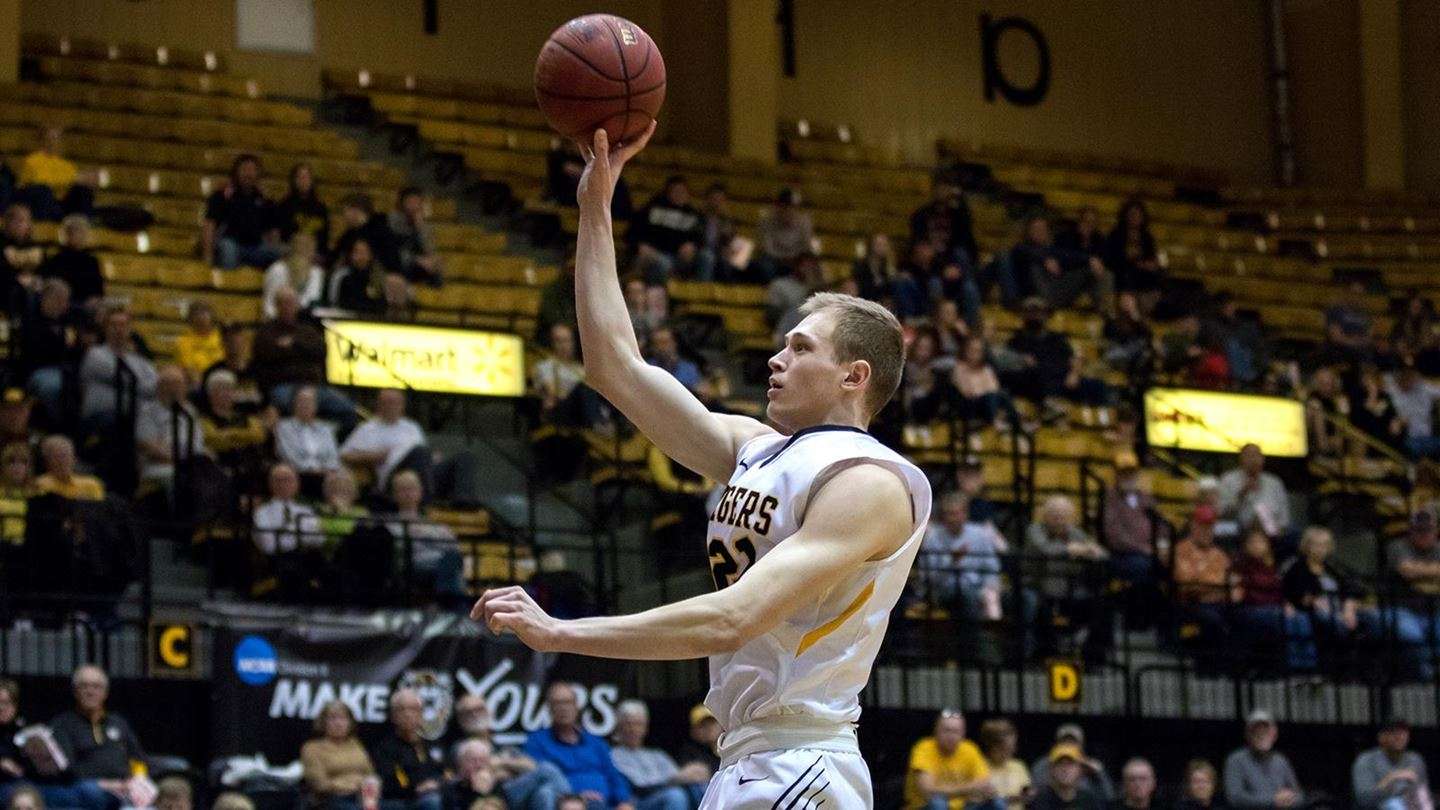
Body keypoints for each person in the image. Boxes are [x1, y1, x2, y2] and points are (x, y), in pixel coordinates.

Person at [475, 125, 931, 810]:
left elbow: (732, 619)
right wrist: (595, 210)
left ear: (854, 375)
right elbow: (615, 367)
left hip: (800, 759)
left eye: (801, 348)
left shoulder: (869, 483)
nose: (776, 358)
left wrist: (561, 633)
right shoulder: (756, 449)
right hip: (747, 758)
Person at [40, 665, 149, 810]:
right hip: (85, 789)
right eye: (84, 686)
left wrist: (138, 781)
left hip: (124, 789)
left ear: (105, 693)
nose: (90, 691)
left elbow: (138, 758)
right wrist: (106, 784)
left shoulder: (118, 722)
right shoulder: (62, 724)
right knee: (90, 792)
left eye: (96, 687)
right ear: (75, 691)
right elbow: (67, 769)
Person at [445, 694, 569, 810]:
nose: (475, 714)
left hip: (516, 794)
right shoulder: (460, 748)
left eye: (479, 709)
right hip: (494, 796)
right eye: (468, 712)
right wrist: (507, 769)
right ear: (460, 719)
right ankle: (573, 802)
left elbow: (530, 766)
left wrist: (501, 763)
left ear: (488, 712)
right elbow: (475, 773)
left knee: (544, 792)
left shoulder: (502, 747)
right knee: (547, 769)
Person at [524, 683, 633, 810]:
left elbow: (613, 775)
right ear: (549, 709)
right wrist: (575, 796)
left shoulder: (596, 743)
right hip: (568, 803)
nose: (563, 708)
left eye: (568, 703)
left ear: (576, 707)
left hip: (607, 803)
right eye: (557, 703)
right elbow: (542, 778)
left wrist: (623, 801)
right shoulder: (538, 742)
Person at [1233, 529, 1315, 671]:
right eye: (1253, 542)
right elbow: (1238, 596)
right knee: (1284, 618)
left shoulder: (1271, 568)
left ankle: (1309, 664)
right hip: (1253, 608)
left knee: (1301, 617)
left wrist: (1287, 604)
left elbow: (1280, 591)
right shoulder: (1240, 566)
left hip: (1276, 607)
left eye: (1261, 542)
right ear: (1246, 546)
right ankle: (1294, 665)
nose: (1257, 546)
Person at [917, 492, 1008, 620]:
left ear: (965, 513)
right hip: (945, 591)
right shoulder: (933, 538)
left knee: (1025, 598)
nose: (952, 518)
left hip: (980, 587)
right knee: (968, 597)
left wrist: (990, 587)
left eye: (956, 513)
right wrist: (951, 560)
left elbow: (992, 567)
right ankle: (976, 634)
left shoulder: (980, 534)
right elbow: (927, 577)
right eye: (949, 514)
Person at [609, 700, 705, 810]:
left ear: (646, 728)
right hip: (638, 803)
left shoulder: (657, 755)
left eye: (638, 724)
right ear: (619, 727)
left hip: (667, 797)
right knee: (675, 796)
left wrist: (694, 775)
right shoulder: (614, 755)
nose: (633, 729)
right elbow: (642, 787)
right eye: (629, 724)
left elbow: (678, 777)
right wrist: (679, 777)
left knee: (698, 787)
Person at [384, 471, 464, 601]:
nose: (408, 493)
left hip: (440, 564)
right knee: (452, 572)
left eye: (412, 488)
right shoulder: (389, 523)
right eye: (403, 489)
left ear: (420, 492)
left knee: (451, 561)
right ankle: (450, 604)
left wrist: (426, 535)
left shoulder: (435, 525)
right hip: (411, 566)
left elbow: (454, 547)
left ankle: (445, 601)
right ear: (394, 495)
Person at [18, 279, 86, 425]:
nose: (64, 305)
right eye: (60, 300)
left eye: (66, 300)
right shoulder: (31, 320)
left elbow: (76, 349)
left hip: (67, 369)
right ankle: (57, 425)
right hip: (40, 369)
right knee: (54, 387)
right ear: (46, 299)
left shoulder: (68, 321)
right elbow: (36, 351)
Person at [79, 306, 158, 431]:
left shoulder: (140, 360)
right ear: (105, 328)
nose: (118, 329)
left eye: (123, 325)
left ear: (129, 329)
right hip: (103, 415)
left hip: (137, 414)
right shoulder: (95, 354)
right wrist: (147, 387)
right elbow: (128, 380)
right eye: (113, 325)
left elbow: (156, 386)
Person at [1383, 509, 1440, 680]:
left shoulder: (1438, 548)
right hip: (1402, 609)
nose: (1424, 535)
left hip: (1435, 609)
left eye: (1428, 530)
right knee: (1411, 634)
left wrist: (1419, 570)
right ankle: (1425, 676)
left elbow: (1412, 570)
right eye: (1419, 530)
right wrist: (1433, 571)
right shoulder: (1397, 546)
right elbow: (1406, 571)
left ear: (1436, 531)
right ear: (1411, 531)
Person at [902, 710, 998, 810]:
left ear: (963, 733)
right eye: (946, 730)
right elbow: (927, 790)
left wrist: (946, 790)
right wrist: (968, 789)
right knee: (937, 803)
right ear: (936, 731)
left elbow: (983, 783)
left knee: (996, 801)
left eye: (956, 731)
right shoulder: (924, 748)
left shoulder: (970, 748)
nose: (951, 736)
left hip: (963, 806)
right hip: (924, 806)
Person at [135, 365, 207, 492]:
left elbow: (198, 444)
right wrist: (185, 460)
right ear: (159, 387)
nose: (174, 389)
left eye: (178, 384)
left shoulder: (190, 411)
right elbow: (149, 447)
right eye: (168, 384)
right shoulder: (147, 412)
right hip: (159, 469)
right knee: (183, 480)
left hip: (190, 465)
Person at [203, 154, 281, 270]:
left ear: (258, 174)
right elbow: (210, 225)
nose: (248, 174)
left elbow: (273, 230)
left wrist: (273, 246)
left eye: (252, 170)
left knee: (281, 254)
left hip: (256, 247)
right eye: (244, 169)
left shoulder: (265, 200)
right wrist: (207, 255)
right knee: (228, 250)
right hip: (229, 243)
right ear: (236, 172)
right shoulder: (222, 196)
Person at [371, 690, 444, 810]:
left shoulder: (432, 744)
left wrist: (437, 783)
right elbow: (393, 780)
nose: (408, 714)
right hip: (405, 800)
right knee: (433, 802)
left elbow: (445, 772)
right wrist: (417, 787)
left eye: (413, 709)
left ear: (421, 714)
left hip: (435, 792)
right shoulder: (386, 748)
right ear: (393, 716)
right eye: (401, 709)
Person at [300, 700, 375, 810]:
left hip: (363, 798)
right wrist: (353, 784)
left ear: (350, 723)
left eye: (343, 718)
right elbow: (320, 784)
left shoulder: (356, 745)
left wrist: (360, 785)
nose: (338, 723)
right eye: (333, 718)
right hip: (330, 800)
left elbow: (370, 775)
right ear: (323, 722)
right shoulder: (312, 748)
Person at [629, 176, 706, 283]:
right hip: (655, 256)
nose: (679, 195)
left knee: (706, 257)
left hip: (680, 259)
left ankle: (701, 289)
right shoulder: (652, 209)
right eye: (676, 191)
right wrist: (640, 245)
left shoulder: (693, 214)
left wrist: (693, 245)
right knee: (664, 263)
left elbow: (701, 238)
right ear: (668, 193)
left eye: (682, 192)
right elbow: (632, 233)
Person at [1222, 711, 1302, 810]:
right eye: (1256, 731)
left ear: (1274, 735)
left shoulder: (1281, 760)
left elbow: (1299, 795)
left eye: (1266, 731)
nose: (1261, 734)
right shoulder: (1236, 760)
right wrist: (1273, 800)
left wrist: (1290, 799)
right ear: (1247, 735)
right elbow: (1235, 798)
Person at [14, 127, 94, 222]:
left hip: (60, 203)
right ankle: (43, 225)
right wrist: (71, 179)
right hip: (38, 202)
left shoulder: (67, 165)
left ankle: (83, 224)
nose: (53, 142)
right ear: (42, 141)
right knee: (43, 191)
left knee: (83, 190)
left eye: (57, 139)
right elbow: (40, 181)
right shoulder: (31, 161)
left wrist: (87, 179)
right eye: (50, 139)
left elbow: (75, 181)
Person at [274, 386, 341, 495]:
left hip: (325, 475)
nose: (305, 405)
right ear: (294, 404)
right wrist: (312, 470)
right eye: (301, 401)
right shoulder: (284, 427)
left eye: (309, 401)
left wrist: (327, 470)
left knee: (342, 477)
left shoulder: (325, 429)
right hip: (298, 474)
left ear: (316, 406)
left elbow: (333, 457)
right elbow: (288, 456)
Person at [1216, 444, 1291, 540]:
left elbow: (1284, 516)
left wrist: (1280, 528)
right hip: (1240, 528)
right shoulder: (1228, 480)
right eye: (1249, 456)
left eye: (1257, 455)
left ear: (1263, 459)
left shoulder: (1274, 482)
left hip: (1271, 529)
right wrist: (1241, 495)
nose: (1253, 459)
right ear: (1241, 459)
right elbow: (1222, 513)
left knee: (1293, 533)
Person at [1351, 716, 1428, 810]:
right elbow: (1363, 800)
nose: (1399, 736)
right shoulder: (1366, 760)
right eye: (1393, 732)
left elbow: (1422, 795)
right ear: (1381, 737)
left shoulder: (1415, 760)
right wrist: (1392, 778)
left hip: (1409, 806)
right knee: (1393, 804)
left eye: (1403, 732)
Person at [1028, 726, 1114, 804]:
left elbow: (1109, 797)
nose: (1068, 745)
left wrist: (1099, 773)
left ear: (1081, 745)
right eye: (1064, 741)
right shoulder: (1043, 764)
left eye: (1073, 742)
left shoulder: (1090, 766)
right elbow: (1034, 794)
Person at [252, 462, 321, 557]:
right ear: (270, 484)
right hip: (276, 562)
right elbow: (268, 546)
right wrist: (301, 537)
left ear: (297, 484)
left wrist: (286, 536)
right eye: (279, 480)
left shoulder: (307, 510)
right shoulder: (262, 512)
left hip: (304, 561)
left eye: (288, 479)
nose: (284, 484)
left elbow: (319, 539)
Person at [910, 178, 978, 267]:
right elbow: (917, 239)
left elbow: (965, 241)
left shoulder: (959, 215)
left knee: (960, 254)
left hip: (952, 255)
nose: (943, 192)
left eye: (946, 188)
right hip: (931, 255)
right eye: (940, 188)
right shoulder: (922, 214)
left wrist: (960, 204)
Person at [37, 215, 102, 308]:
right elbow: (47, 283)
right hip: (61, 304)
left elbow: (98, 290)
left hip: (86, 305)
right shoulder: (55, 259)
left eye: (79, 231)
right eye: (71, 231)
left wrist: (94, 299)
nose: (75, 234)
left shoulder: (92, 261)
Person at [1103, 200, 1161, 302]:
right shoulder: (1116, 234)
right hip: (1122, 274)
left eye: (1138, 215)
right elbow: (1111, 259)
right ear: (1125, 216)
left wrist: (1150, 264)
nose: (1135, 218)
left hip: (1143, 275)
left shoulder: (1147, 237)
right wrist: (1131, 259)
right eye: (1132, 214)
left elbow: (1152, 256)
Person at [752, 188, 814, 280]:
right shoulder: (766, 221)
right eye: (785, 207)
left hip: (795, 260)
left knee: (809, 267)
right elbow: (768, 248)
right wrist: (784, 259)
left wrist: (794, 259)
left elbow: (806, 247)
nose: (789, 211)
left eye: (792, 207)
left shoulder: (804, 222)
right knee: (765, 266)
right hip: (773, 260)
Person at [1384, 359, 1440, 458]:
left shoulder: (1424, 388)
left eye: (1411, 374)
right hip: (1405, 437)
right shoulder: (1391, 389)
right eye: (1404, 374)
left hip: (1427, 437)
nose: (1408, 378)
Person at [387, 187, 442, 285]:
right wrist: (417, 260)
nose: (414, 207)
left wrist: (420, 228)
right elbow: (393, 251)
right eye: (410, 202)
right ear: (402, 204)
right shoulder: (393, 221)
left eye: (417, 203)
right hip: (396, 264)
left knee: (437, 267)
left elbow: (430, 250)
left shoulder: (423, 224)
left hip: (415, 265)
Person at [263, 232, 325, 318]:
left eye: (308, 247)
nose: (303, 251)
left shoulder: (317, 273)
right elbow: (269, 305)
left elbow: (312, 301)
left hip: (306, 321)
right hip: (278, 320)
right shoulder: (277, 269)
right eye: (300, 247)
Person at [273, 163, 330, 253]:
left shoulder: (320, 208)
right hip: (290, 251)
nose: (303, 180)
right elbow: (282, 235)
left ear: (312, 181)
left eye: (306, 177)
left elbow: (324, 237)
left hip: (314, 253)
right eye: (300, 177)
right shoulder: (284, 205)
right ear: (294, 180)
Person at [1030, 745, 1105, 810]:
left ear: (1080, 769)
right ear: (1051, 769)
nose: (1065, 769)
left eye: (1070, 764)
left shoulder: (1089, 801)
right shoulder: (1039, 801)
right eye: (1060, 764)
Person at [976, 720, 1029, 810]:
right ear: (992, 747)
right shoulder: (979, 767)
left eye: (1013, 747)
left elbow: (1027, 790)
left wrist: (1028, 794)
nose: (1012, 751)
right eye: (1006, 748)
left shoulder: (1018, 766)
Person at [1, 203, 43, 314]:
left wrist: (38, 279)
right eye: (19, 221)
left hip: (34, 284)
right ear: (8, 223)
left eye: (27, 220)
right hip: (8, 286)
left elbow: (45, 267)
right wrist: (17, 278)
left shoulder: (35, 245)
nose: (24, 225)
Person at [327, 238, 388, 314]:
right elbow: (334, 303)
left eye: (364, 252)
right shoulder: (342, 276)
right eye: (357, 252)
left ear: (371, 255)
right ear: (351, 255)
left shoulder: (378, 277)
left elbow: (382, 306)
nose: (360, 257)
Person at [34, 435, 103, 501]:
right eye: (57, 456)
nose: (63, 461)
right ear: (47, 460)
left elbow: (100, 508)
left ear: (74, 459)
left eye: (66, 455)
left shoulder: (91, 484)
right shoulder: (39, 485)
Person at [174, 302, 225, 388]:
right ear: (190, 319)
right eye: (196, 314)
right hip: (198, 383)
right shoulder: (183, 342)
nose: (201, 317)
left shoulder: (222, 338)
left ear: (212, 317)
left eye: (204, 313)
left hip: (224, 379)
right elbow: (188, 370)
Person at [446, 740, 507, 810]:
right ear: (461, 763)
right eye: (473, 760)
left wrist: (488, 792)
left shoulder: (498, 784)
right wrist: (478, 793)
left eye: (483, 760)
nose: (478, 765)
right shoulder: (452, 788)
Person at [645, 326, 702, 393]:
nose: (660, 347)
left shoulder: (689, 368)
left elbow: (697, 390)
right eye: (656, 344)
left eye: (664, 342)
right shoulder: (647, 367)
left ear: (674, 343)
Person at [0, 680, 28, 808]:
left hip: (24, 782)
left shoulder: (22, 728)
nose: (1, 708)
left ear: (15, 705)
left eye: (6, 703)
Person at [672, 706, 719, 779]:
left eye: (712, 722)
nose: (709, 728)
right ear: (693, 731)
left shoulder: (728, 746)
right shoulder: (689, 752)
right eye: (703, 725)